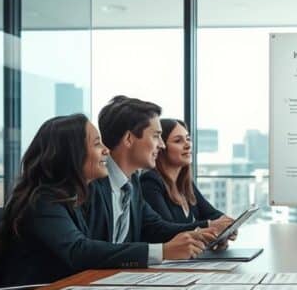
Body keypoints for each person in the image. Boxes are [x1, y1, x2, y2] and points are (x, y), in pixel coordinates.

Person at [0, 114, 208, 286]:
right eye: (97, 144)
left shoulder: (77, 195)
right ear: (73, 153)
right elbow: (79, 251)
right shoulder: (43, 199)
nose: (106, 150)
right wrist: (161, 252)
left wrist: (203, 232)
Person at [84, 96, 217, 258]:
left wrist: (202, 232)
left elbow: (156, 227)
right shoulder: (91, 183)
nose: (161, 145)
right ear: (129, 139)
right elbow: (84, 250)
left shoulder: (131, 183)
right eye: (156, 136)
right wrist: (161, 252)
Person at [140, 118, 234, 237]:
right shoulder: (150, 182)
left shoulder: (184, 183)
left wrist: (227, 226)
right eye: (178, 141)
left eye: (188, 139)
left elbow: (212, 214)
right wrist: (210, 226)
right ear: (161, 146)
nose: (188, 145)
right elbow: (164, 231)